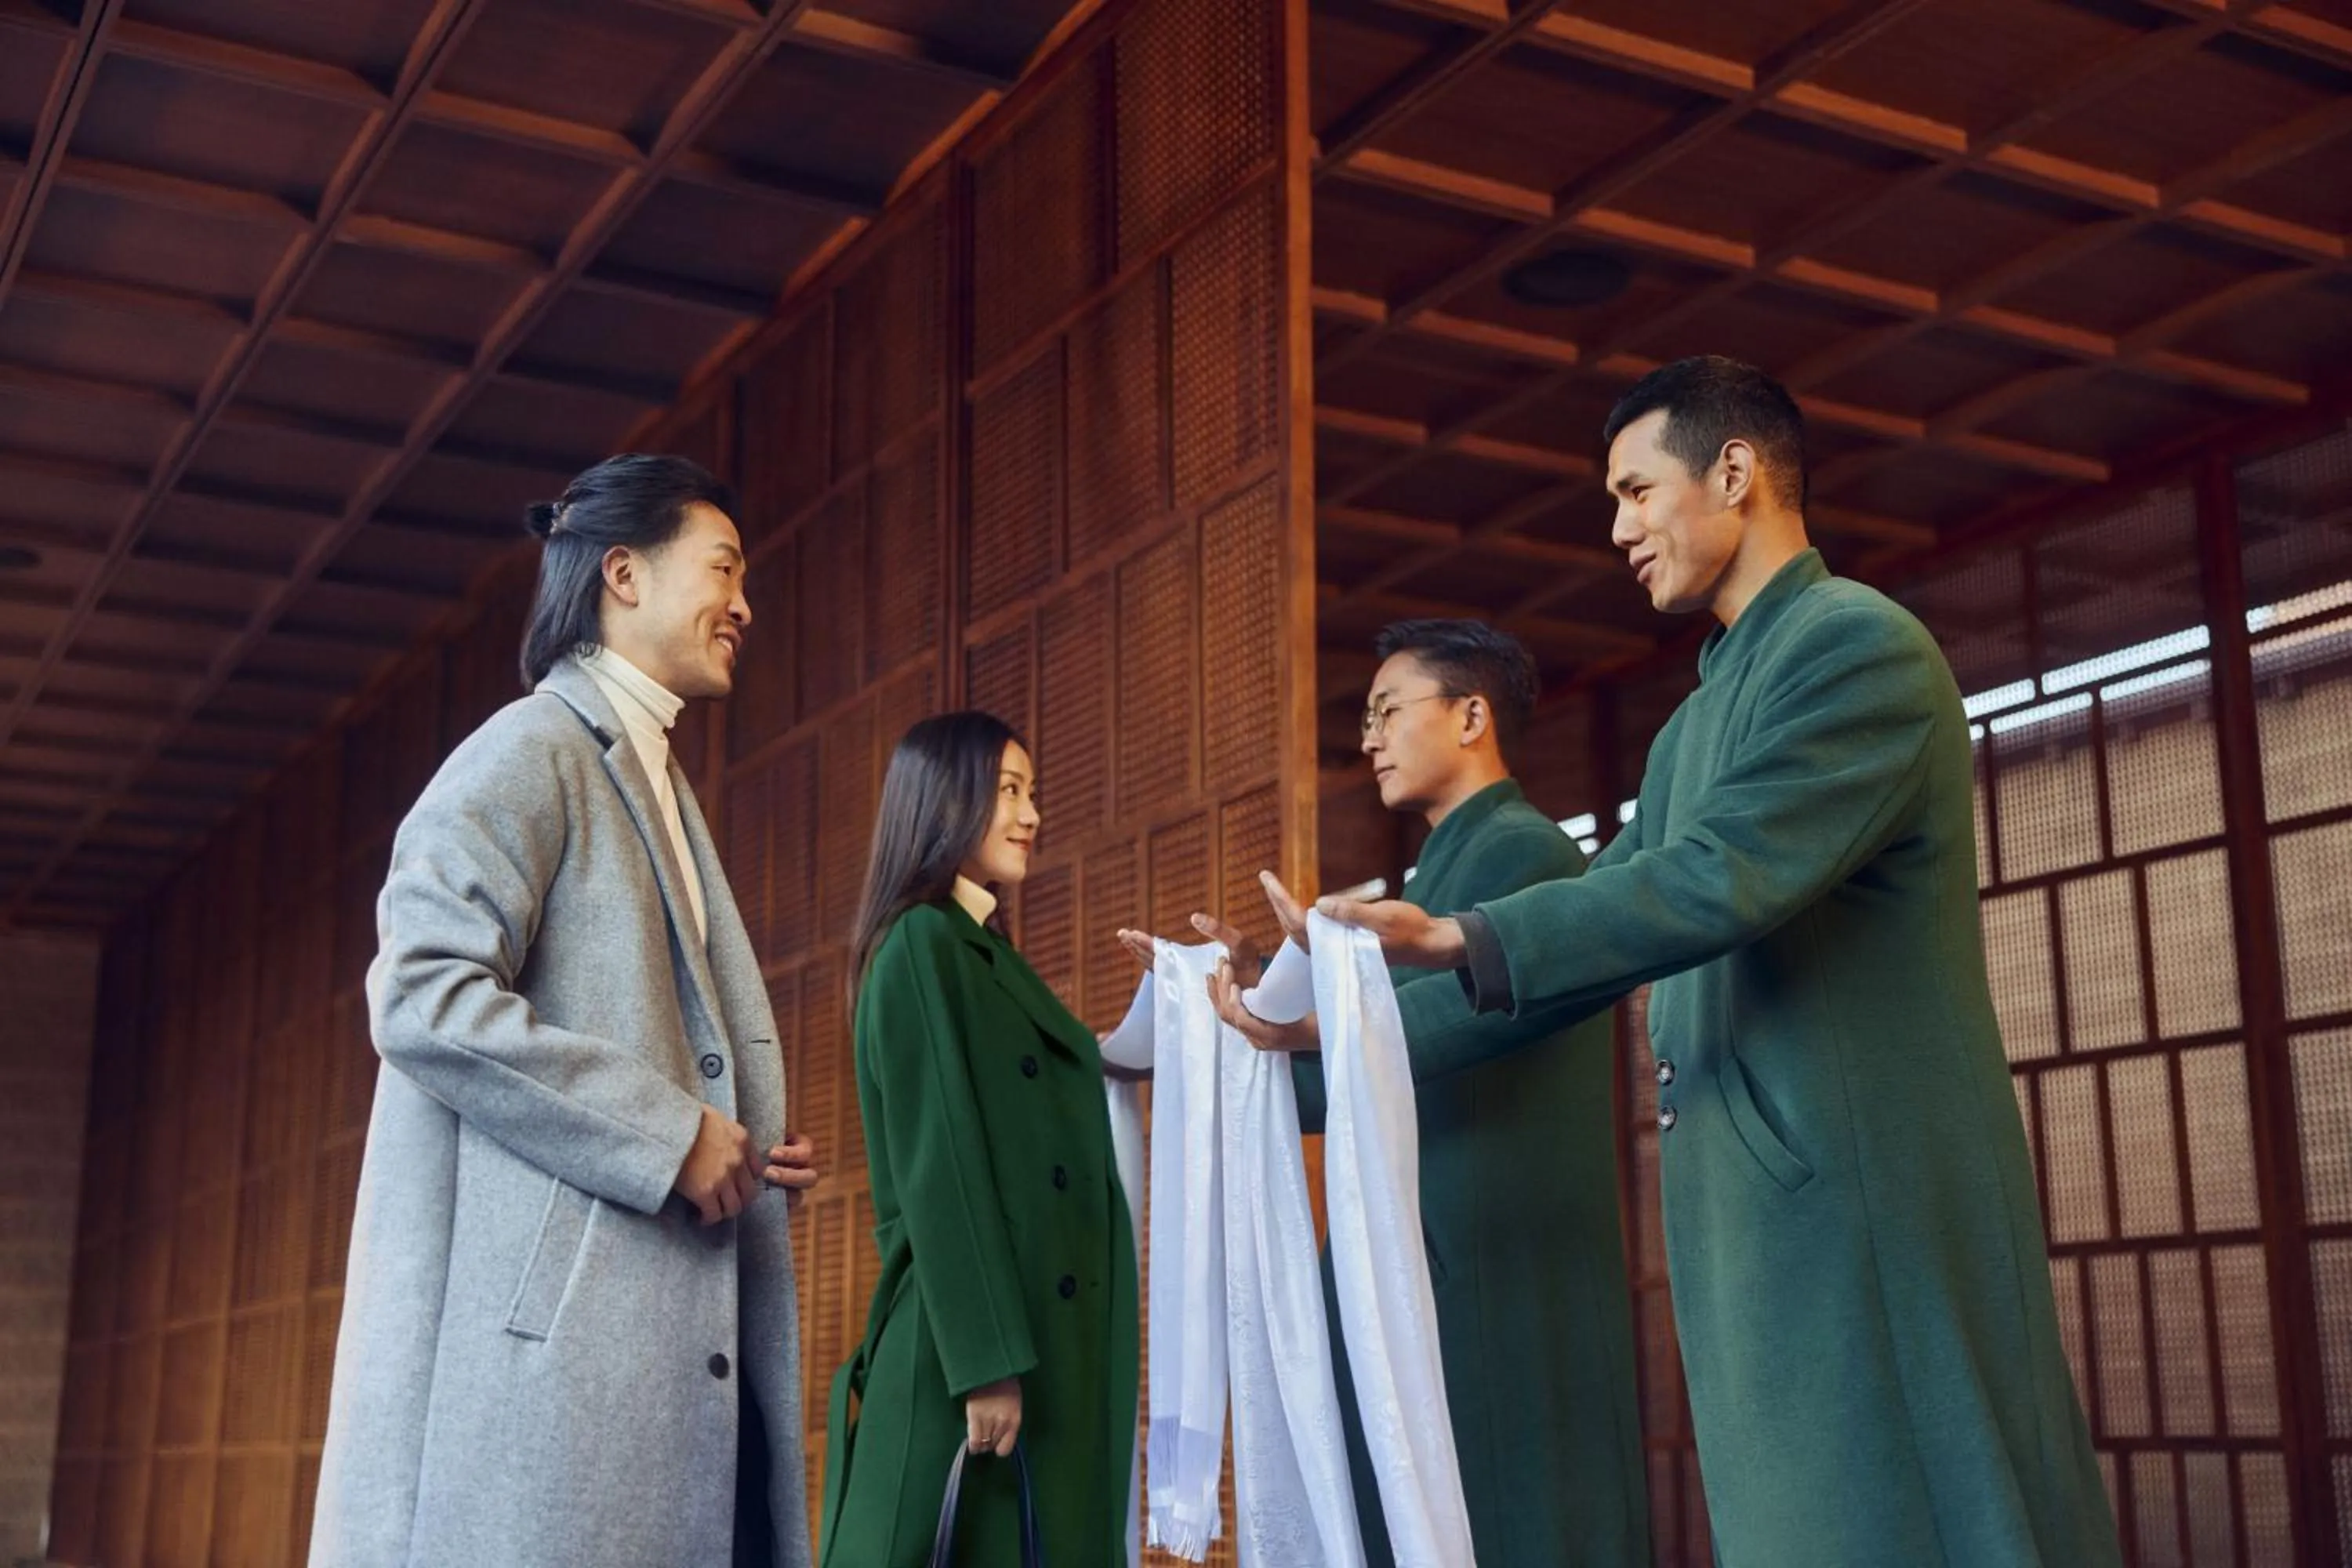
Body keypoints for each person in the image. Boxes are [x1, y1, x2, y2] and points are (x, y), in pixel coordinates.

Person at [1321, 358, 2122, 1567]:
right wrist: (1330, 1011)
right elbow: (1605, 907)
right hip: (1759, 1207)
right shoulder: (1696, 720)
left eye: (1637, 492)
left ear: (1734, 472)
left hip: (1853, 1188)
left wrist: (1461, 933)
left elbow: (1716, 876)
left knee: (1901, 1514)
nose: (1620, 528)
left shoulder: (1857, 647)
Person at [312, 455, 820, 1568]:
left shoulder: (656, 779)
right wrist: (670, 1133)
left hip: (651, 1371)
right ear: (624, 575)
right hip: (562, 1388)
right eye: (724, 567)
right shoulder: (531, 747)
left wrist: (738, 1151)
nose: (744, 603)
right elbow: (419, 992)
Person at [1136, 619, 1650, 1566]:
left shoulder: (1528, 856)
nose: (1367, 737)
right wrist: (1265, 1002)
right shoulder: (1441, 869)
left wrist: (1308, 1022)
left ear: (1470, 716)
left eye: (1386, 711)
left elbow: (1435, 1030)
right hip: (1433, 1256)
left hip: (1499, 1255)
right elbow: (1356, 1069)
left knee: (1515, 1517)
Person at [821, 713, 1139, 1568]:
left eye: (1032, 792)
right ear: (942, 800)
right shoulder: (925, 942)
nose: (1031, 813)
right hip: (972, 1352)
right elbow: (943, 1165)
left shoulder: (984, 949)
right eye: (1008, 790)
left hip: (1028, 1341)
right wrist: (988, 1362)